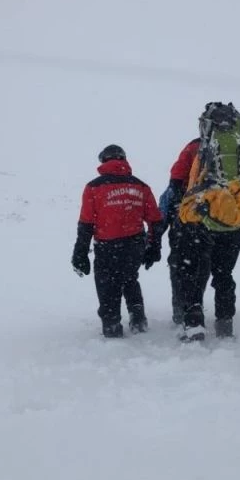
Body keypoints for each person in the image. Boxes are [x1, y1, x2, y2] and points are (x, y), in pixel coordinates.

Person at [160, 104, 240, 339]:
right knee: (224, 273)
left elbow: (175, 183)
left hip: (199, 221)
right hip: (233, 222)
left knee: (193, 272)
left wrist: (177, 215)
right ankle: (225, 323)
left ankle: (194, 323)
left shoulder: (195, 148)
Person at [71, 144, 163, 338]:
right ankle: (138, 318)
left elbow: (86, 223)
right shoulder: (141, 186)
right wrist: (154, 247)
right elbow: (155, 220)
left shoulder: (93, 187)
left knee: (107, 284)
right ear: (123, 160)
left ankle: (112, 324)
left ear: (104, 161)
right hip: (135, 244)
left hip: (107, 246)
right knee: (130, 279)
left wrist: (80, 252)